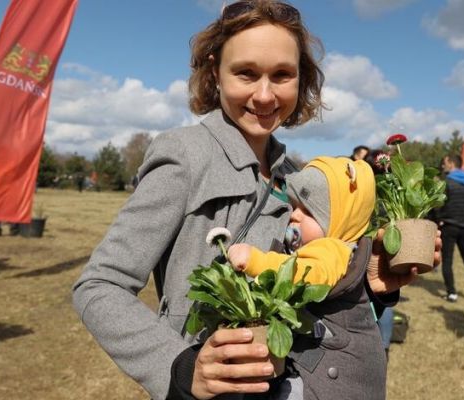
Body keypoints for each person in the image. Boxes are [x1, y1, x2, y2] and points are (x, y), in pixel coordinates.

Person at [72, 2, 437, 399]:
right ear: (215, 71)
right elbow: (100, 284)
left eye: (282, 75)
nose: (264, 96)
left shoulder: (296, 175)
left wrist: (370, 285)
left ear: (301, 79)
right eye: (246, 73)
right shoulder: (183, 154)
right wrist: (178, 368)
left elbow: (307, 284)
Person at [228, 156, 375, 287]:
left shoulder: (333, 250)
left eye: (308, 212)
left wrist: (257, 262)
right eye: (294, 205)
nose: (295, 214)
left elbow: (309, 274)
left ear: (340, 222)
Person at [435, 154, 464, 302]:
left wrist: (439, 219)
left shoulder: (447, 183)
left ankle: (451, 293)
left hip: (449, 226)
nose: (443, 166)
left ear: (450, 163)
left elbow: (438, 204)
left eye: (444, 163)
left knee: (447, 260)